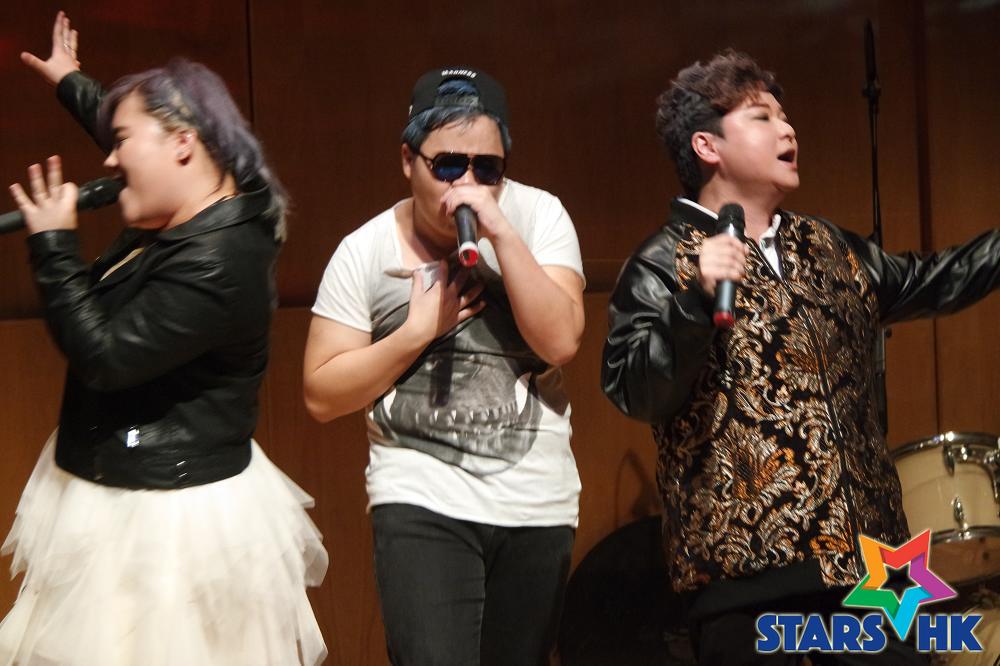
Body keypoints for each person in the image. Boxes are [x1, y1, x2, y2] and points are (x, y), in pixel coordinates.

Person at [600, 49, 1000, 665]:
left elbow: (937, 278)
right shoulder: (662, 260)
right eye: (762, 117)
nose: (787, 130)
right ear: (707, 146)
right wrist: (694, 303)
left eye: (785, 117)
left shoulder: (828, 246)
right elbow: (636, 390)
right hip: (745, 581)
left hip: (871, 567)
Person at [0, 12, 327, 666]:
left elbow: (105, 357)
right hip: (125, 477)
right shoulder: (219, 187)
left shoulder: (217, 262)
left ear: (182, 145)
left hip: (164, 517)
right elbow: (145, 129)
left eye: (121, 142)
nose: (110, 159)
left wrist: (54, 247)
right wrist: (71, 82)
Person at [303, 67, 586, 665]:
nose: (469, 184)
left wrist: (500, 233)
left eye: (488, 168)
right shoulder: (366, 248)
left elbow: (561, 340)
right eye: (449, 166)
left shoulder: (538, 216)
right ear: (408, 160)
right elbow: (322, 394)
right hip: (420, 496)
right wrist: (416, 334)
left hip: (535, 498)